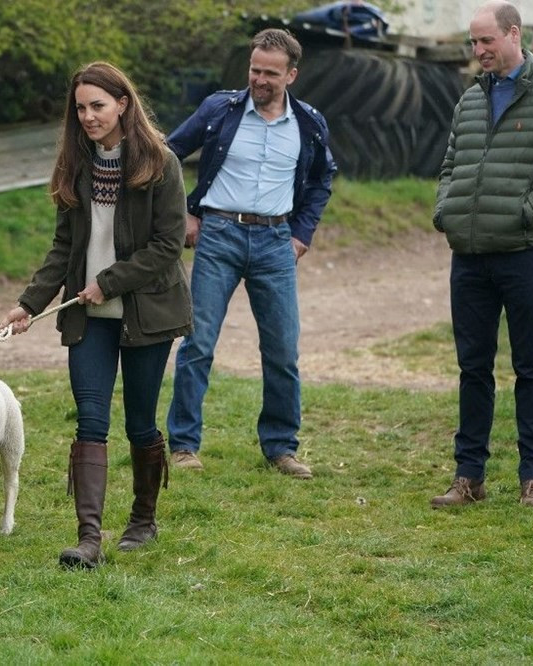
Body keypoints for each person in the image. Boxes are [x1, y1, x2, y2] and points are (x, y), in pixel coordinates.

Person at [2, 62, 192, 569]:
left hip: (146, 312)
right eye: (81, 108)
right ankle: (89, 538)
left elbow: (168, 245)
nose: (88, 116)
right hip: (88, 319)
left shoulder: (162, 163)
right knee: (90, 420)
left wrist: (107, 281)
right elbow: (65, 247)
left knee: (139, 423)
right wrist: (29, 304)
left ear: (123, 104)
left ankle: (143, 519)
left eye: (98, 106)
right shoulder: (76, 165)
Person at [164, 28, 335, 476]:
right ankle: (183, 445)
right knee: (198, 342)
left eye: (270, 73)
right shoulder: (220, 108)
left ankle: (281, 447)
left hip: (277, 242)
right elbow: (168, 155)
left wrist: (302, 233)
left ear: (291, 75)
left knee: (282, 349)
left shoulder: (309, 123)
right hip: (218, 234)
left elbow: (321, 180)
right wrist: (183, 213)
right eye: (254, 70)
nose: (259, 79)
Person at [431, 1, 533, 511]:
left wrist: (528, 212)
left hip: (526, 252)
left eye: (485, 41)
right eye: (472, 42)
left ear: (512, 35)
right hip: (470, 256)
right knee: (472, 368)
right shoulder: (469, 100)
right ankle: (468, 477)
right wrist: (447, 212)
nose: (477, 50)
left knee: (531, 366)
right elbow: (450, 163)